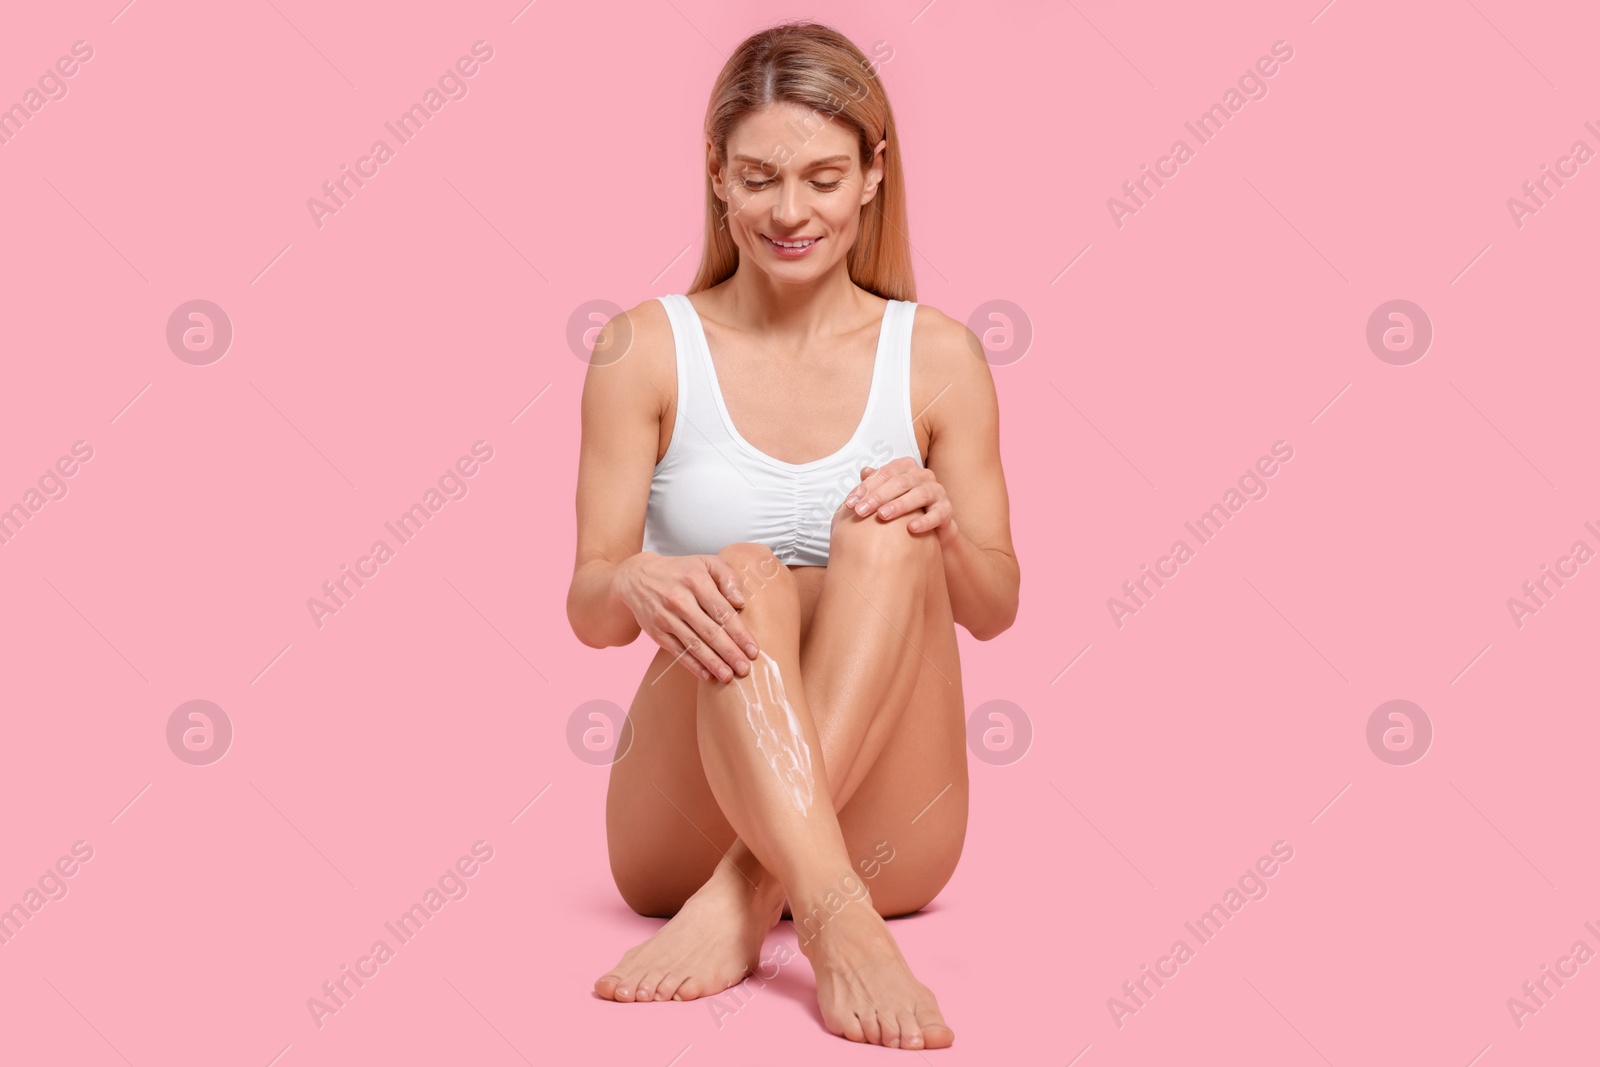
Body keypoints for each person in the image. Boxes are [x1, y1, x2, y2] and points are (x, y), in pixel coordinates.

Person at [566, 19, 1019, 1051]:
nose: (789, 211)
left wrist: (940, 532)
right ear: (717, 174)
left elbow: (993, 608)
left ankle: (756, 895)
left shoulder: (938, 354)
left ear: (872, 175)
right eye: (760, 176)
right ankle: (829, 909)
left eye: (821, 177)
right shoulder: (643, 348)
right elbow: (589, 609)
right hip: (677, 828)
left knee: (888, 530)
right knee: (742, 572)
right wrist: (633, 578)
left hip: (892, 839)